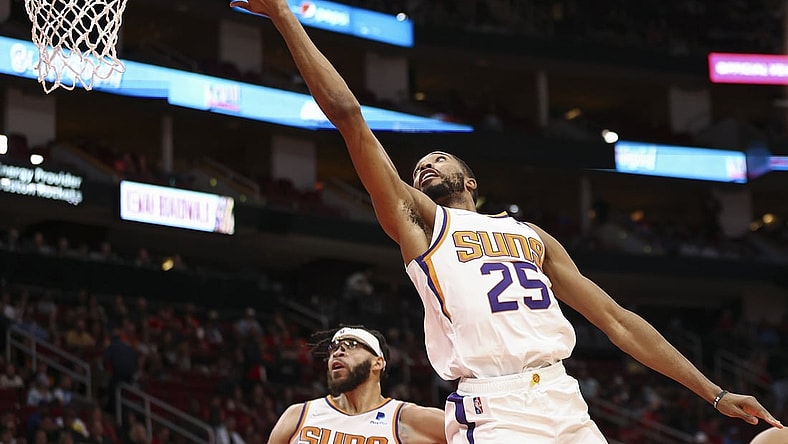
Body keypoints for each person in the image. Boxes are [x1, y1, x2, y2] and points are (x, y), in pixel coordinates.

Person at [229, 0, 785, 441]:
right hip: (493, 408)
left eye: (438, 159)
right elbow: (350, 119)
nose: (425, 164)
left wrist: (712, 393)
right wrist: (281, 14)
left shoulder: (532, 237)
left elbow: (618, 321)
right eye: (419, 165)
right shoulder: (422, 226)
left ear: (471, 182)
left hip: (564, 398)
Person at [265, 326, 445, 444]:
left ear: (378, 362)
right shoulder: (298, 415)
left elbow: (471, 433)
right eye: (334, 347)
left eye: (351, 345)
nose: (338, 352)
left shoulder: (405, 419)